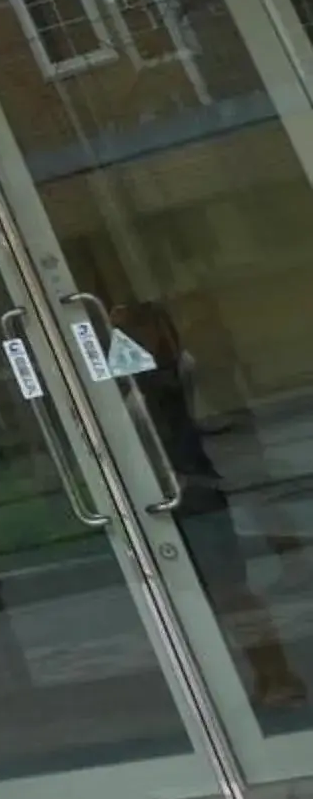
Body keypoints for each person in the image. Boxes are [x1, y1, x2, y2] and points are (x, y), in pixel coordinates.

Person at [116, 298, 309, 709]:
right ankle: (264, 676)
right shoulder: (160, 374)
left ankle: (276, 674)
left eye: (123, 332)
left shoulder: (164, 376)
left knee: (229, 592)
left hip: (193, 493)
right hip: (182, 494)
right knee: (217, 594)